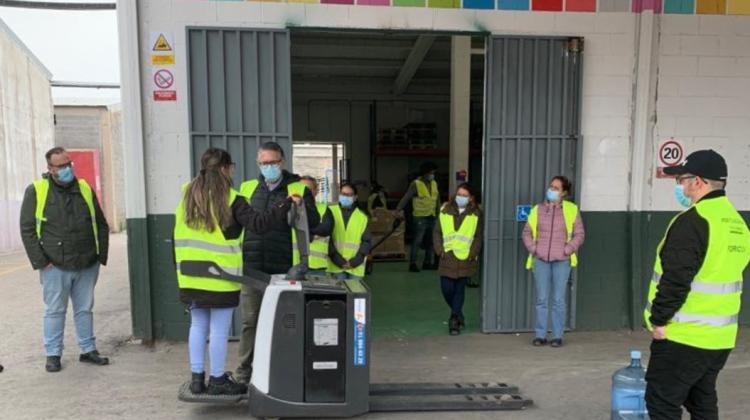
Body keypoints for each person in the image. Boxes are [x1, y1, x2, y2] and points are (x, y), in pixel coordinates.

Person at [174, 148, 293, 396]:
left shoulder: (187, 193)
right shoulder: (232, 198)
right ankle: (217, 380)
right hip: (220, 277)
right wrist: (285, 204)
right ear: (226, 169)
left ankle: (197, 379)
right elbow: (259, 224)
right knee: (218, 329)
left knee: (197, 325)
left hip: (189, 275)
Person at [643, 150, 750, 420]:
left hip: (683, 336)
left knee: (661, 403)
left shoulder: (692, 222)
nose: (680, 185)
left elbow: (675, 279)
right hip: (719, 339)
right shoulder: (737, 224)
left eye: (682, 179)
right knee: (701, 403)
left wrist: (659, 321)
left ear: (698, 181)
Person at [19, 147, 111, 372]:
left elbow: (100, 222)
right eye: (61, 166)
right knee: (55, 310)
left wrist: (101, 255)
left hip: (87, 261)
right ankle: (53, 354)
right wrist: (41, 262)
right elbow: (27, 229)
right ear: (50, 169)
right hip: (54, 264)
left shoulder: (84, 188)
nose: (67, 168)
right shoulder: (37, 191)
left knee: (84, 309)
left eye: (68, 163)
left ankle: (88, 349)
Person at [236, 142, 320, 384]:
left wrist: (302, 205)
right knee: (250, 321)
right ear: (258, 164)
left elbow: (313, 221)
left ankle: (283, 371)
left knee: (284, 323)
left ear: (282, 162)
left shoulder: (298, 188)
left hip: (285, 268)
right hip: (252, 266)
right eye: (264, 163)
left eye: (273, 162)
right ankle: (243, 372)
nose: (268, 167)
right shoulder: (247, 187)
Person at [522, 175, 585, 348]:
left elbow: (579, 235)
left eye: (556, 188)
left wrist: (567, 250)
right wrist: (534, 249)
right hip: (541, 260)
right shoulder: (538, 209)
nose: (552, 190)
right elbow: (526, 232)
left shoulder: (572, 210)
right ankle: (540, 335)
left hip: (561, 261)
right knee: (542, 299)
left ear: (564, 192)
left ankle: (557, 336)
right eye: (551, 187)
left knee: (558, 300)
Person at [433, 183, 483, 336]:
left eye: (464, 195)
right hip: (447, 256)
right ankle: (458, 312)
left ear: (471, 198)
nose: (460, 197)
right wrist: (439, 250)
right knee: (446, 289)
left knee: (459, 290)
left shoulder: (476, 214)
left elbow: (478, 237)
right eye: (459, 194)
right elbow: (437, 232)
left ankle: (454, 320)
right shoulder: (445, 210)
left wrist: (472, 253)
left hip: (464, 258)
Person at [395, 161, 440, 272]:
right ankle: (413, 263)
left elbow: (437, 199)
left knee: (431, 241)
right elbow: (406, 197)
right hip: (420, 217)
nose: (432, 175)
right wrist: (398, 209)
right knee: (417, 240)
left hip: (432, 216)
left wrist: (439, 213)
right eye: (431, 172)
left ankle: (427, 262)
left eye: (433, 173)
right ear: (425, 173)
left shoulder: (434, 183)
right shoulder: (416, 184)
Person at [328, 183, 371, 280]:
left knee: (355, 294)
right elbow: (327, 239)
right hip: (335, 264)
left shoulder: (362, 217)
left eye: (349, 195)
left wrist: (355, 262)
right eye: (343, 194)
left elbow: (366, 241)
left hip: (356, 265)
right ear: (339, 194)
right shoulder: (330, 211)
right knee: (340, 295)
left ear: (355, 197)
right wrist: (338, 260)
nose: (345, 197)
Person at [300, 176, 333, 277]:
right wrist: (311, 236)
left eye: (308, 189)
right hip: (294, 266)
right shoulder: (290, 209)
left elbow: (326, 229)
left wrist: (303, 230)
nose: (304, 192)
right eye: (302, 188)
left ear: (316, 191)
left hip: (316, 267)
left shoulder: (324, 209)